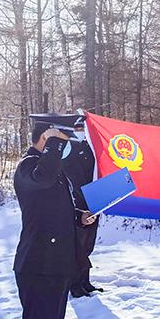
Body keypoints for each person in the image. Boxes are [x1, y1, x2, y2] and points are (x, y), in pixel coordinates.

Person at [13, 120, 96, 319]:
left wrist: (79, 217)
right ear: (45, 140)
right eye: (60, 141)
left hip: (56, 266)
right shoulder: (28, 167)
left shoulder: (50, 170)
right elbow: (43, 180)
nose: (65, 148)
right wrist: (54, 142)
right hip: (37, 267)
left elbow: (51, 210)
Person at [63, 117, 103, 298]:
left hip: (95, 200)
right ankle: (74, 284)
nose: (80, 129)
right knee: (77, 246)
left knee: (88, 246)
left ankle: (85, 281)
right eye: (78, 127)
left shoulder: (91, 146)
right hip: (76, 201)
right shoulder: (67, 146)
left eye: (83, 127)